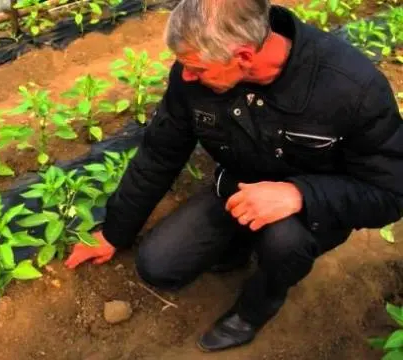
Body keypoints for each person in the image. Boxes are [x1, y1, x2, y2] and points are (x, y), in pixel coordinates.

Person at [64, 0, 403, 353]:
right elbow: (160, 152)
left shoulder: (352, 88)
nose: (185, 76)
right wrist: (114, 232)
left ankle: (254, 309)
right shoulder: (191, 76)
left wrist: (299, 194)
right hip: (236, 189)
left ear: (242, 57)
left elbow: (392, 193)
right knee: (158, 266)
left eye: (197, 69)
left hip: (310, 214)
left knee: (283, 242)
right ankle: (239, 248)